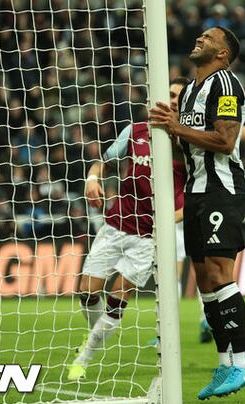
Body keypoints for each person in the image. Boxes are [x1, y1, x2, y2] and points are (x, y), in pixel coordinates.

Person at [150, 26, 245, 399]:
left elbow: (225, 141)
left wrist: (176, 127)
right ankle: (225, 363)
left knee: (220, 274)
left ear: (223, 54)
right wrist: (170, 130)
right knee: (205, 282)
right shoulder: (191, 91)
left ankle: (242, 363)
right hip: (194, 192)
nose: (200, 38)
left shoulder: (225, 84)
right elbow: (190, 140)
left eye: (209, 38)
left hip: (221, 190)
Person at [66, 78, 188, 381]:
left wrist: (167, 222)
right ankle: (96, 336)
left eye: (178, 97)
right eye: (170, 94)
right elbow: (104, 162)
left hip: (148, 237)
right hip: (115, 225)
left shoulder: (188, 144)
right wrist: (92, 179)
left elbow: (194, 199)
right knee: (87, 293)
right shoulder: (136, 131)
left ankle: (84, 357)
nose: (173, 100)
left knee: (117, 298)